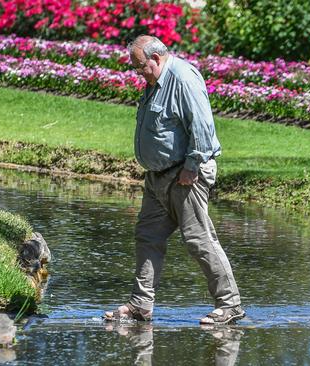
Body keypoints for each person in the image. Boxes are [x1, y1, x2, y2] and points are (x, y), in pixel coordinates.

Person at [104, 35, 244, 325]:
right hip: (158, 177)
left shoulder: (183, 78)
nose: (138, 72)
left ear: (156, 58)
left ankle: (230, 305)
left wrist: (192, 166)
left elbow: (203, 127)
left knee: (198, 239)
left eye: (140, 66)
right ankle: (140, 305)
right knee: (148, 236)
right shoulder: (154, 82)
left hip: (185, 174)